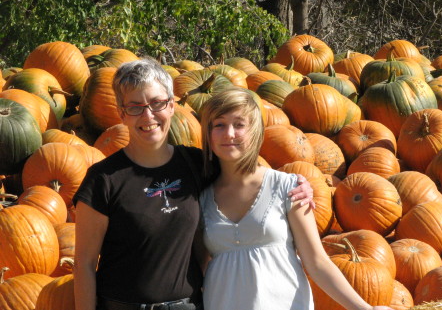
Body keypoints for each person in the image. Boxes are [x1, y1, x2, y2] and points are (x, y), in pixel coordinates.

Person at [73, 58, 313, 310]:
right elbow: (84, 265)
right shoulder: (103, 179)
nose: (148, 115)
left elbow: (246, 173)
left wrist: (295, 182)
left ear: (171, 106)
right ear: (122, 113)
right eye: (135, 107)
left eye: (157, 103)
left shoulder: (196, 164)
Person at [198, 87, 395, 310]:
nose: (229, 133)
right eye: (219, 125)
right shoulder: (201, 199)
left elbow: (317, 261)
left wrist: (363, 308)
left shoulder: (287, 187)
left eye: (239, 124)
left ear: (255, 132)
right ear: (208, 133)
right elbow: (201, 270)